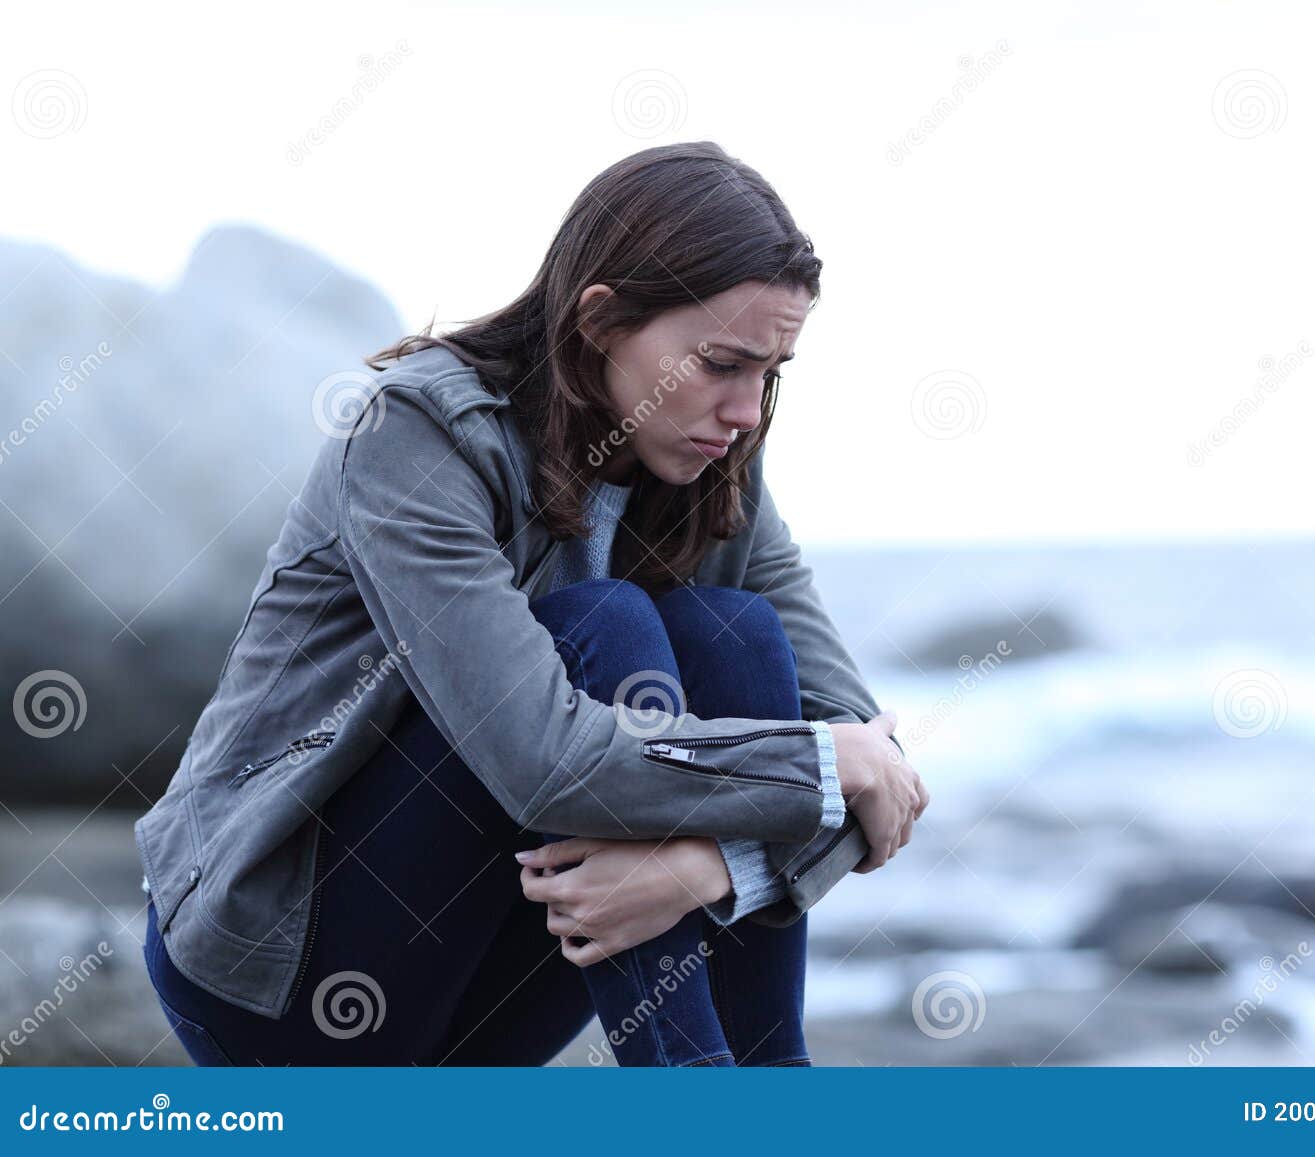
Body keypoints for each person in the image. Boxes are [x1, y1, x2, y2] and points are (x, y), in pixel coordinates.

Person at [135, 140, 929, 1066]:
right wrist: (826, 765)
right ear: (600, 320)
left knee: (733, 636)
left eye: (772, 372)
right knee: (607, 626)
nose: (748, 410)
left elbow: (882, 774)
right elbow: (544, 760)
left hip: (496, 972)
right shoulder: (418, 435)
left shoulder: (720, 476)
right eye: (721, 362)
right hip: (284, 970)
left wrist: (710, 868)